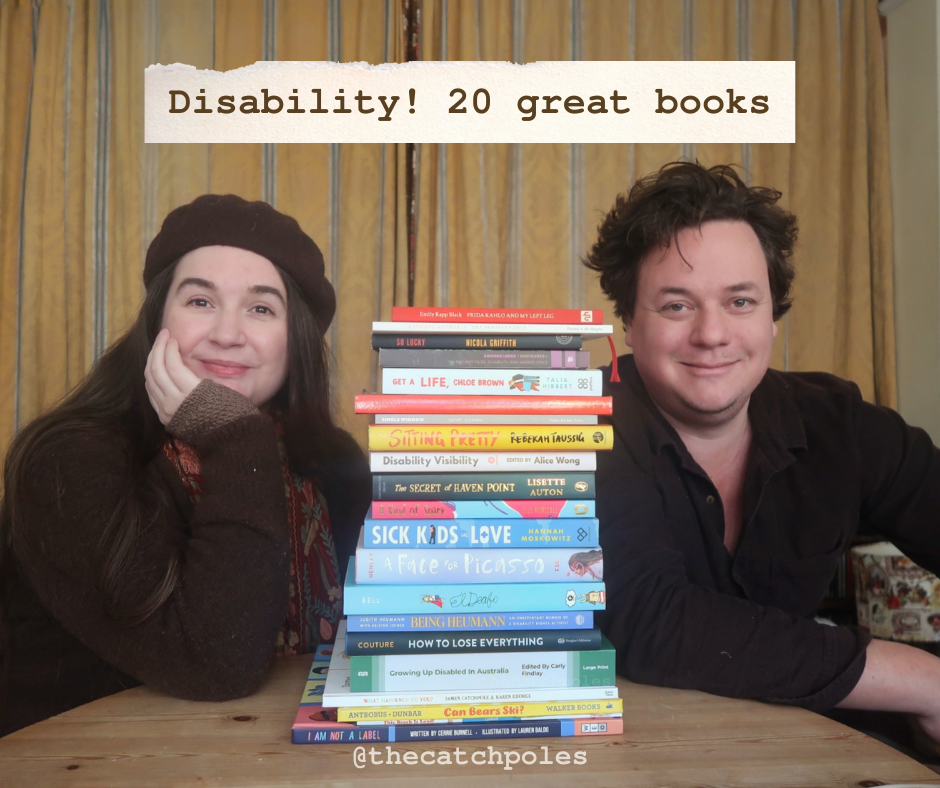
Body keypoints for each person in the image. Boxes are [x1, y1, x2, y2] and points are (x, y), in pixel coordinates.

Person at [582, 162, 940, 744]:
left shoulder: (838, 423)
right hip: (622, 755)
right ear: (627, 323)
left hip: (801, 756)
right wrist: (923, 680)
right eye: (677, 305)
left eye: (741, 302)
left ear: (773, 314)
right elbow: (654, 621)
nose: (712, 334)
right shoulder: (580, 424)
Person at [0, 194, 371, 737]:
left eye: (262, 308)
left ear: (298, 342)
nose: (226, 333)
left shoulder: (334, 464)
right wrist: (232, 438)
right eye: (200, 301)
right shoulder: (69, 461)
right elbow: (215, 665)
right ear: (158, 319)